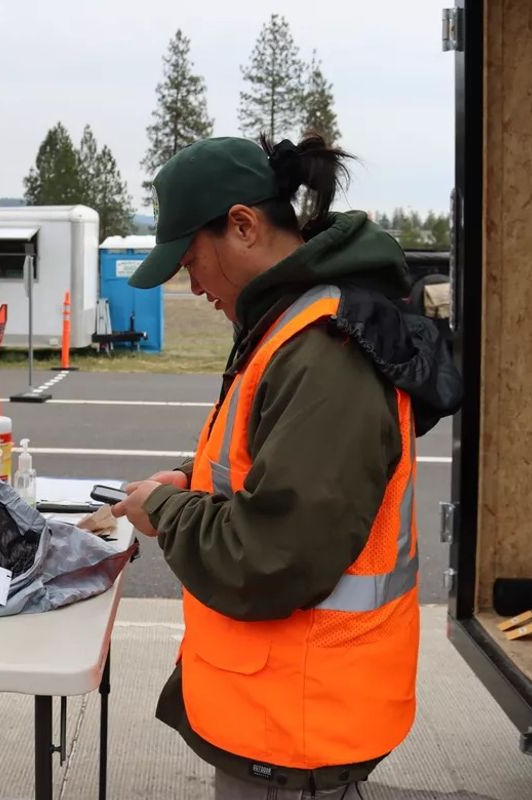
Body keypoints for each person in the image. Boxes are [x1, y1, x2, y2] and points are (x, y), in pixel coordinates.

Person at [111, 134, 462, 799]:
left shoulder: (323, 350)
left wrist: (163, 512)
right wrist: (190, 478)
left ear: (242, 225)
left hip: (297, 729)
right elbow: (267, 460)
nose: (193, 286)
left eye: (191, 261)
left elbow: (272, 555)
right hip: (285, 715)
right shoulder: (290, 325)